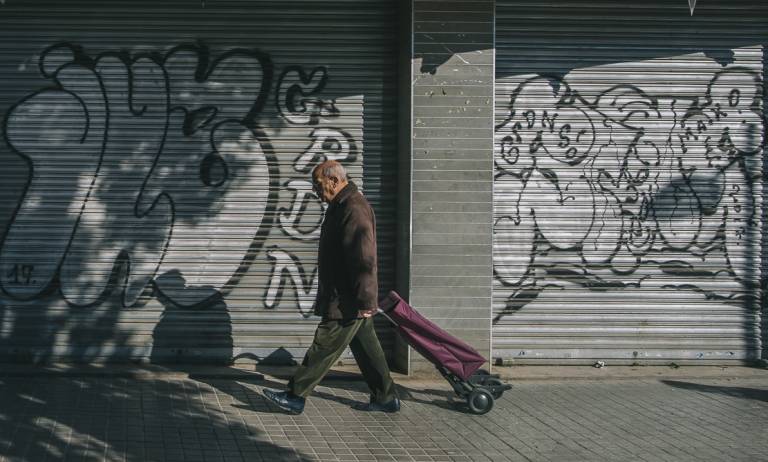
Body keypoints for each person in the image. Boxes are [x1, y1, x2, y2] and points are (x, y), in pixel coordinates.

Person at [263, 160, 399, 415]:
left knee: (324, 345)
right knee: (367, 347)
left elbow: (364, 258)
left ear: (334, 181)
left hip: (347, 297)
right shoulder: (341, 205)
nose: (315, 190)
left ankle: (295, 396)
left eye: (318, 184)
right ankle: (386, 397)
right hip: (347, 295)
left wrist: (366, 300)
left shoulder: (353, 208)